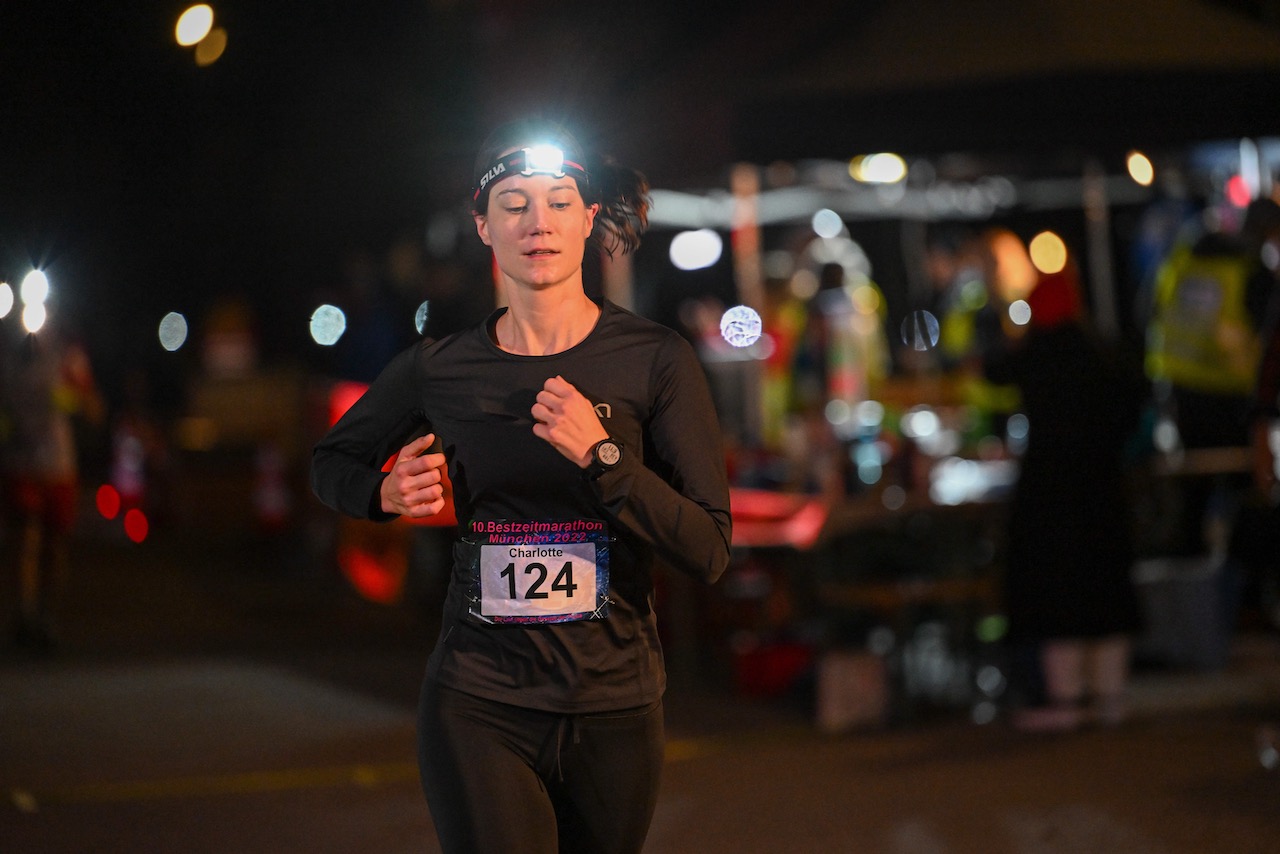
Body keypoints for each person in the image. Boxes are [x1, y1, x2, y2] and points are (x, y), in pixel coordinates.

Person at [311, 118, 732, 853]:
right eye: (513, 204)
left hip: (616, 708)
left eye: (559, 201)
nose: (538, 223)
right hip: (480, 702)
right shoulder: (439, 368)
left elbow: (709, 547)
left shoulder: (654, 360)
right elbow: (330, 464)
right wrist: (382, 494)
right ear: (483, 225)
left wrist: (605, 461)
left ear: (589, 217)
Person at [984, 262, 1144, 731]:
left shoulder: (1037, 353)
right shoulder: (1101, 353)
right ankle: (1111, 697)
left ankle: (1066, 699)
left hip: (1050, 491)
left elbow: (994, 370)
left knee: (1056, 597)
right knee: (1107, 592)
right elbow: (1134, 400)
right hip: (1103, 489)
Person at [2, 315, 102, 651]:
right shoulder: (6, 354)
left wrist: (77, 395)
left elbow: (93, 408)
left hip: (58, 464)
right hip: (20, 461)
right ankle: (24, 615)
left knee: (54, 544)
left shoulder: (65, 354)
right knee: (25, 538)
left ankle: (45, 615)